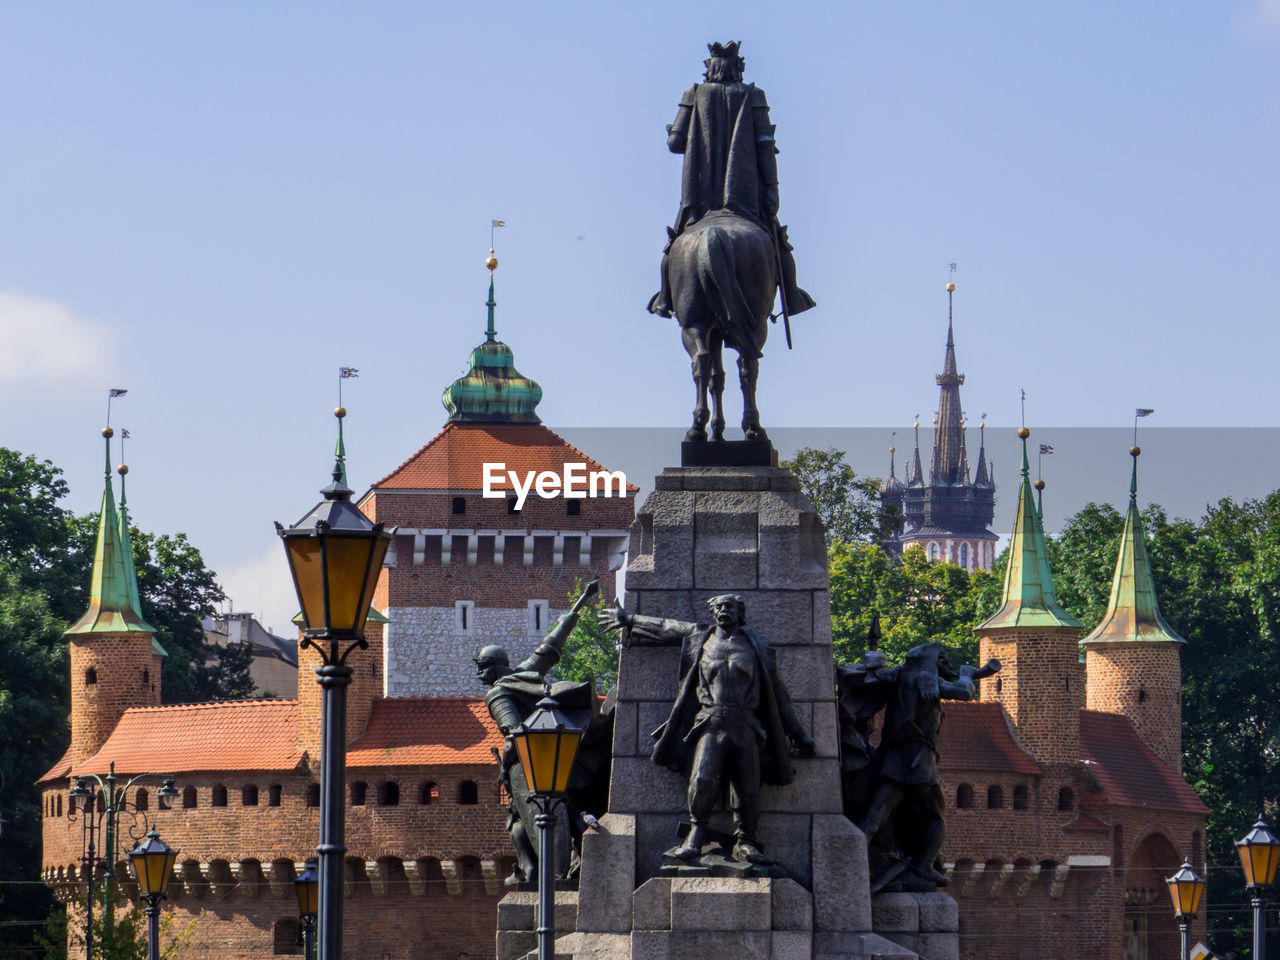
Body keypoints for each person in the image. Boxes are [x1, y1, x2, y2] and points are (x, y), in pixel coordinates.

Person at [600, 594, 815, 864]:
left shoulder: (755, 646)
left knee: (748, 787)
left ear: (740, 614)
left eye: (730, 607)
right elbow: (667, 627)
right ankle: (696, 832)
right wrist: (630, 620)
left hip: (746, 725)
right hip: (709, 722)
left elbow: (779, 695)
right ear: (712, 613)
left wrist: (798, 734)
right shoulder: (700, 637)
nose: (724, 611)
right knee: (702, 779)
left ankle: (746, 840)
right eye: (719, 607)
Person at [649, 41, 815, 321]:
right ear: (738, 68)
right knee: (780, 245)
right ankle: (792, 295)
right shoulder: (753, 95)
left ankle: (665, 298)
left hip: (700, 199)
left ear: (710, 69)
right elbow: (765, 148)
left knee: (674, 246)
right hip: (744, 197)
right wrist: (772, 191)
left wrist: (675, 129)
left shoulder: (693, 94)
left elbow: (675, 144)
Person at [477, 580, 610, 885]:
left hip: (533, 763)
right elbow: (552, 645)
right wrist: (581, 603)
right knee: (566, 807)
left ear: (492, 669)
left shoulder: (497, 693)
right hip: (564, 753)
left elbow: (513, 734)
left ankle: (538, 872)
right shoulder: (525, 674)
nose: (479, 675)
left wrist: (503, 772)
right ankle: (578, 849)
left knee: (522, 820)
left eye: (482, 668)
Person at [850, 642, 999, 891]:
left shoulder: (898, 675)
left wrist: (872, 661)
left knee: (874, 817)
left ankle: (848, 863)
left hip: (891, 757)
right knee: (936, 817)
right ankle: (923, 866)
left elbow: (870, 675)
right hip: (918, 762)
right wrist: (966, 672)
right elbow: (964, 693)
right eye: (943, 660)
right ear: (932, 662)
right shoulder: (926, 681)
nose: (947, 664)